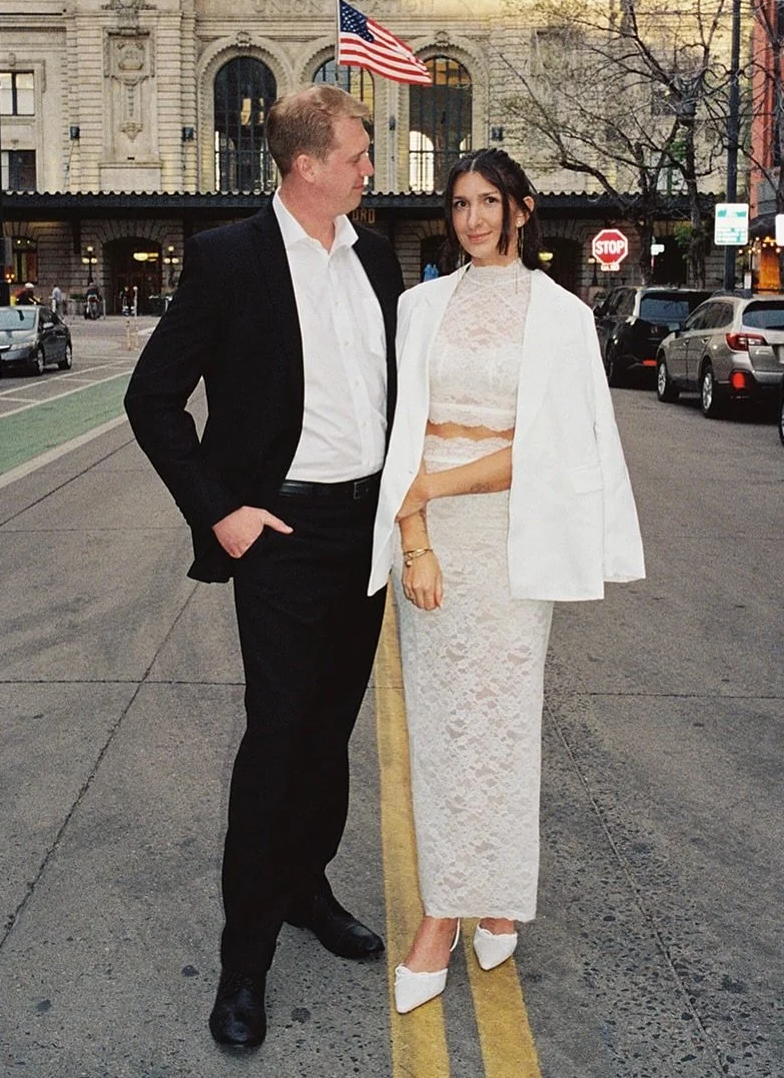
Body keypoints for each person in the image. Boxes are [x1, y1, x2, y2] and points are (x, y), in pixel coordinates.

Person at [124, 84, 404, 1050]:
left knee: (328, 734)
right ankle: (242, 964)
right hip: (280, 535)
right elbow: (151, 398)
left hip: (365, 528)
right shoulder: (227, 259)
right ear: (306, 165)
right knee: (277, 738)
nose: (372, 167)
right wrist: (222, 512)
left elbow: (391, 390)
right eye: (359, 153)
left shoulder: (373, 253)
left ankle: (305, 889)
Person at [368, 148, 645, 1014]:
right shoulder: (418, 307)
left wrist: (436, 488)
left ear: (521, 210)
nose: (473, 218)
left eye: (490, 201)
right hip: (433, 538)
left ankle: (487, 898)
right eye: (459, 204)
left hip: (508, 536)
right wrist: (413, 537)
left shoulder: (560, 316)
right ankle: (445, 913)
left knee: (503, 727)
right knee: (440, 727)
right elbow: (399, 435)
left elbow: (554, 450)